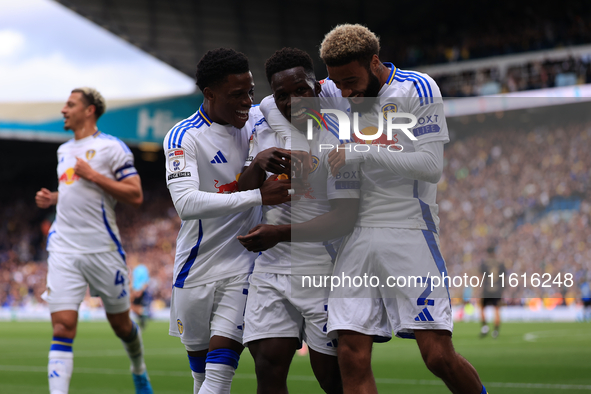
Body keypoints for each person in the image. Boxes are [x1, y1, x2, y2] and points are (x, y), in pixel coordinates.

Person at [260, 24, 487, 394]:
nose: (345, 93)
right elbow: (273, 102)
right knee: (350, 354)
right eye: (337, 84)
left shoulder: (418, 88)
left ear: (375, 62)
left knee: (437, 356)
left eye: (351, 81)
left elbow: (431, 165)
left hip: (408, 228)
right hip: (355, 236)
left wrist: (360, 152)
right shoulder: (333, 88)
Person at [163, 48, 293, 394]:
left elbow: (303, 90)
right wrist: (258, 196)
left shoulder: (256, 118)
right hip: (195, 268)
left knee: (220, 379)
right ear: (209, 94)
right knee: (201, 378)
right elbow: (186, 204)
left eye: (250, 91)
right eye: (237, 94)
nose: (247, 102)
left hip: (243, 266)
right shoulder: (183, 137)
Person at [237, 47, 360, 394]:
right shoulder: (263, 131)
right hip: (270, 269)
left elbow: (345, 218)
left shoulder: (339, 138)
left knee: (332, 378)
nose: (294, 101)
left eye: (302, 90)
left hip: (322, 269)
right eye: (282, 96)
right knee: (268, 369)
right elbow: (239, 193)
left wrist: (279, 232)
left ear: (317, 87)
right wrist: (258, 164)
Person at [35, 87, 153, 394]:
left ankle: (138, 367)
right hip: (64, 248)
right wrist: (55, 197)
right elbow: (76, 191)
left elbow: (136, 195)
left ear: (89, 110)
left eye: (70, 104)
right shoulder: (63, 151)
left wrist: (94, 175)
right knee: (62, 327)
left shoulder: (112, 149)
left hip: (102, 249)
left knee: (122, 326)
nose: (63, 109)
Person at [479, 246, 506, 338]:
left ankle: (484, 327)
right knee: (497, 310)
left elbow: (481, 277)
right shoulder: (500, 264)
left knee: (482, 307)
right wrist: (502, 290)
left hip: (487, 289)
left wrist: (480, 289)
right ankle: (496, 331)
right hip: (497, 290)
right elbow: (503, 278)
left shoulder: (484, 264)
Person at [129, 257, 151, 329]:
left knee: (135, 306)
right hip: (135, 290)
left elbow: (145, 281)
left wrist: (140, 290)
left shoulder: (141, 269)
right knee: (135, 306)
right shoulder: (136, 269)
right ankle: (142, 317)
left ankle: (143, 317)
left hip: (138, 291)